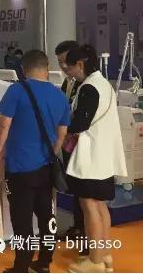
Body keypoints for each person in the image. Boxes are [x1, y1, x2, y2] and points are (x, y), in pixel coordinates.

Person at [0, 50, 70, 273]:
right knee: (47, 216)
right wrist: (51, 154)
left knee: (22, 219)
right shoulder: (60, 95)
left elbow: (3, 125)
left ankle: (22, 266)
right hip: (46, 167)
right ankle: (44, 263)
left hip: (19, 166)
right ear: (47, 68)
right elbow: (62, 134)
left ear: (23, 70)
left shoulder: (17, 90)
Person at [65, 45, 127, 274]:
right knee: (100, 206)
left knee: (89, 206)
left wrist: (62, 128)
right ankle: (104, 255)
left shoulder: (89, 87)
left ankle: (95, 261)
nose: (69, 73)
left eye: (69, 68)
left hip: (90, 156)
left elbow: (81, 123)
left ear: (79, 64)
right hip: (104, 156)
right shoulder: (104, 85)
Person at [54, 40, 85, 247]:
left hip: (81, 143)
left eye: (66, 61)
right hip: (68, 142)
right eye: (59, 61)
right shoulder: (68, 82)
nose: (64, 66)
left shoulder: (87, 84)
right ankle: (77, 226)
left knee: (83, 191)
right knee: (73, 186)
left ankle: (85, 232)